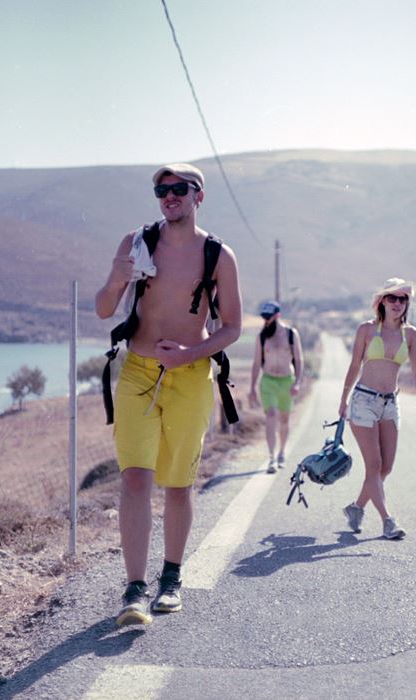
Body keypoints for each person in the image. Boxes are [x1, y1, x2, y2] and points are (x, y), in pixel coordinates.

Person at [95, 163, 242, 626]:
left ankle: (171, 578)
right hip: (137, 371)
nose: (169, 196)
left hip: (191, 375)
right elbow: (103, 309)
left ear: (199, 196)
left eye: (179, 189)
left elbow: (233, 327)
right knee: (135, 478)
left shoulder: (219, 255)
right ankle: (134, 590)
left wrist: (190, 354)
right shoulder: (137, 242)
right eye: (162, 190)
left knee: (179, 483)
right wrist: (118, 278)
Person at [338, 278, 416, 539]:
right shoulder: (366, 330)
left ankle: (356, 509)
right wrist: (342, 400)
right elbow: (354, 366)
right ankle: (388, 521)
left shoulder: (411, 335)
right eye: (392, 298)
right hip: (363, 401)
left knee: (386, 467)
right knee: (374, 464)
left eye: (403, 299)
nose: (398, 303)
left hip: (391, 403)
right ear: (382, 301)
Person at [249, 301, 304, 473]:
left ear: (277, 315)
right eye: (263, 317)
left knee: (284, 419)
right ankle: (271, 457)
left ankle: (282, 452)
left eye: (269, 317)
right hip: (268, 381)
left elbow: (299, 360)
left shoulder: (290, 334)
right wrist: (251, 388)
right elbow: (257, 362)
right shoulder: (262, 336)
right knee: (271, 416)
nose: (266, 320)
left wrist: (298, 382)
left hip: (286, 381)